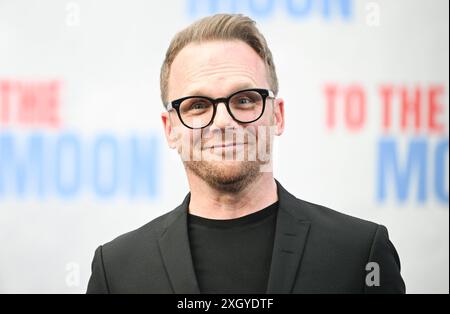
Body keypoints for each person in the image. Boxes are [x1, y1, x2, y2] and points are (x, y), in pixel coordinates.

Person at [86, 13, 405, 294]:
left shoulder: (360, 253)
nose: (224, 121)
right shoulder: (115, 270)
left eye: (245, 99)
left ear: (277, 115)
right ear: (170, 128)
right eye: (198, 105)